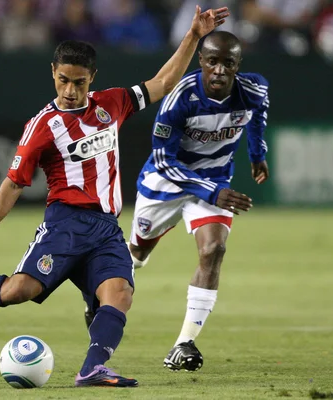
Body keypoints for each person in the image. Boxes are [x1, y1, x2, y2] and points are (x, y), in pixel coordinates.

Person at [0, 5, 229, 388]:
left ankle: (92, 369)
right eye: (64, 80)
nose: (70, 90)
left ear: (92, 78)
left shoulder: (112, 104)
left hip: (106, 227)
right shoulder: (42, 127)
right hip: (65, 223)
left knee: (120, 293)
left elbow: (163, 82)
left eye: (79, 82)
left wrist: (194, 35)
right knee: (19, 290)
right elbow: (13, 183)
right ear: (53, 73)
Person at [131, 30, 269, 371]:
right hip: (166, 183)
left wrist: (257, 153)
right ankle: (100, 293)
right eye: (213, 62)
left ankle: (183, 344)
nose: (220, 70)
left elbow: (259, 113)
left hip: (215, 181)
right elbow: (163, 160)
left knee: (214, 250)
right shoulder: (179, 98)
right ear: (201, 62)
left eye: (228, 63)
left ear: (238, 65)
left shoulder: (253, 89)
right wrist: (211, 191)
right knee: (136, 254)